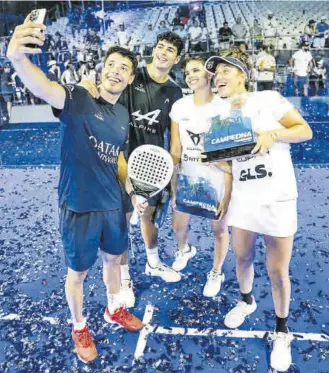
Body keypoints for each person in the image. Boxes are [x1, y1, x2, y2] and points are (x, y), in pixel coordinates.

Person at [7, 15, 144, 364]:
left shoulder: (122, 116)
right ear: (101, 70)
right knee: (78, 273)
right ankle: (79, 326)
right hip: (79, 205)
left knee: (115, 260)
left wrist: (132, 191)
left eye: (123, 68)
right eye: (111, 64)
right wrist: (18, 59)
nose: (116, 70)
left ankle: (115, 308)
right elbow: (42, 87)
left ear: (129, 79)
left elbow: (117, 159)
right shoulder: (76, 98)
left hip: (112, 203)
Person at [205, 47, 312, 372]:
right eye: (215, 73)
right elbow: (226, 164)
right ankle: (247, 301)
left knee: (278, 271)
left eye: (225, 70)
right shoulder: (219, 116)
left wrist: (272, 134)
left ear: (242, 74)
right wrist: (224, 197)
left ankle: (282, 330)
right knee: (242, 257)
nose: (217, 77)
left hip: (277, 197)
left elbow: (303, 130)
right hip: (243, 200)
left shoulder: (268, 98)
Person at [80, 32, 185, 307]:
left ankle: (153, 262)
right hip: (119, 160)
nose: (163, 52)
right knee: (122, 223)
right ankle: (124, 276)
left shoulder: (174, 91)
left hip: (150, 166)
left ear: (177, 58)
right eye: (160, 46)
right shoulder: (131, 75)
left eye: (170, 50)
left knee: (148, 217)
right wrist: (87, 88)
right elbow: (106, 92)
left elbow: (173, 136)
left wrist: (172, 177)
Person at [169, 56, 232, 297]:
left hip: (217, 181)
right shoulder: (179, 107)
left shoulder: (224, 108)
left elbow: (230, 156)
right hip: (187, 179)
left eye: (196, 70)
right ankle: (184, 250)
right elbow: (176, 150)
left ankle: (216, 270)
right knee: (178, 226)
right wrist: (174, 185)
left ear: (209, 75)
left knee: (219, 229)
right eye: (187, 73)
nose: (190, 75)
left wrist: (228, 194)